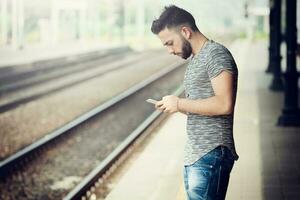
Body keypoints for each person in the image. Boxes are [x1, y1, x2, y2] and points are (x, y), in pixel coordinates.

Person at [151, 5, 239, 200]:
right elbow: (203, 107)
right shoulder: (196, 59)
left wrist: (180, 103)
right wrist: (174, 105)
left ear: (185, 31)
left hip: (212, 152)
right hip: (197, 154)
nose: (169, 50)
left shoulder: (216, 54)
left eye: (169, 43)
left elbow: (224, 104)